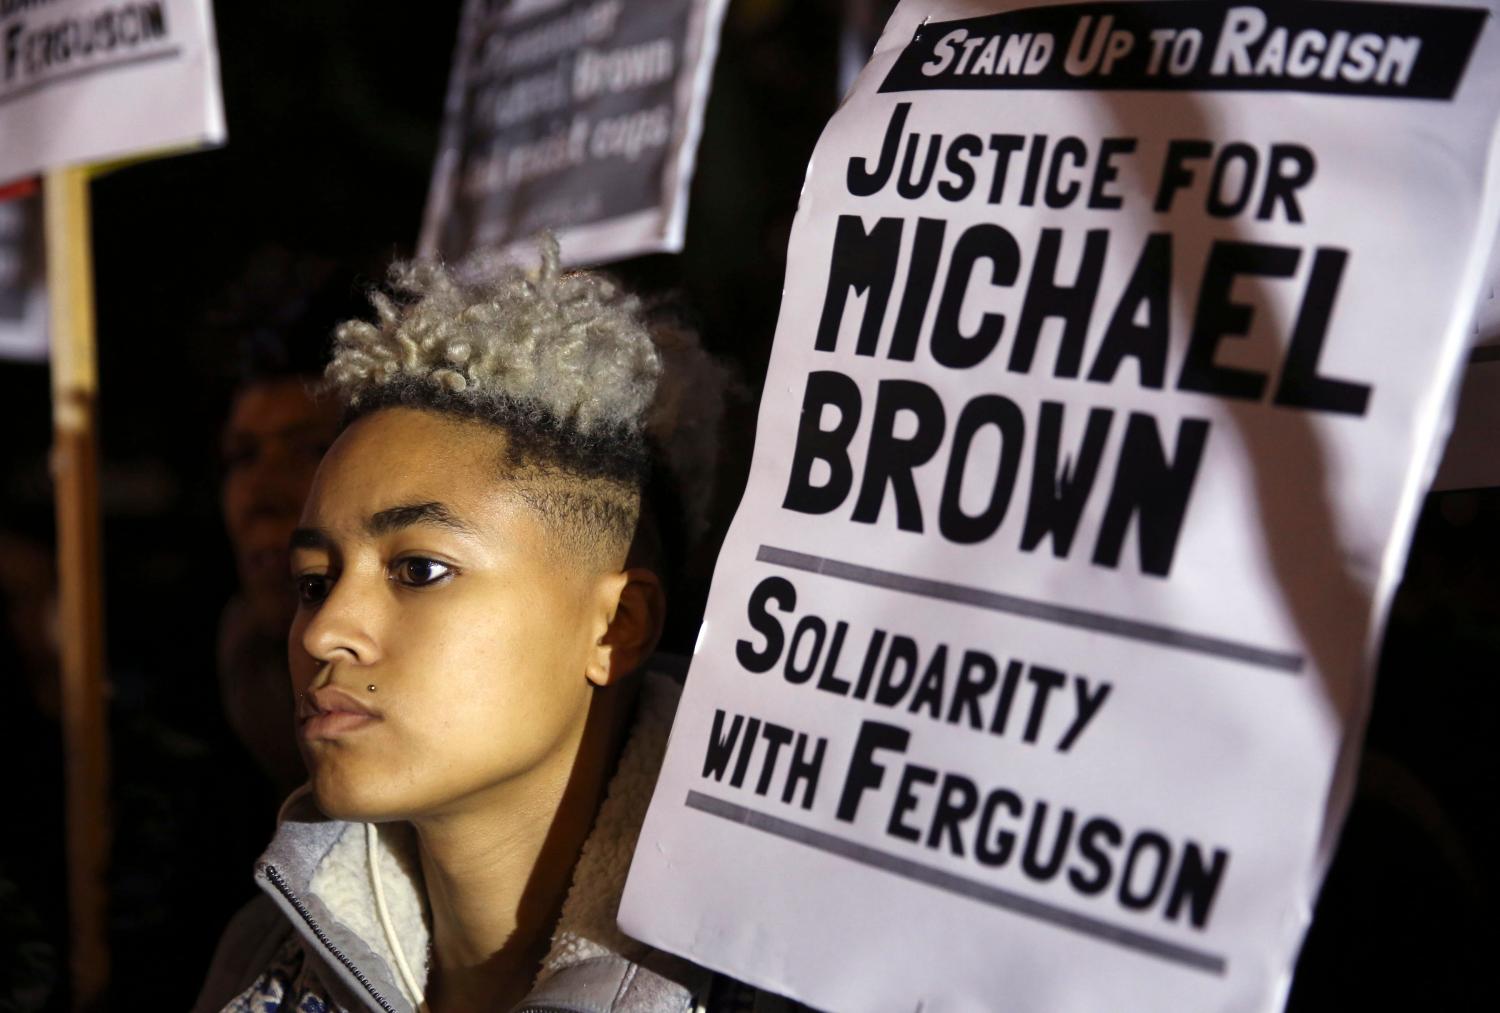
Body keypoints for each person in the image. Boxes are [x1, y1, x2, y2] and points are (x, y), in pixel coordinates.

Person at [193, 238, 772, 1012]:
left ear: (617, 626)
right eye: (313, 580)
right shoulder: (263, 959)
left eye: (419, 569)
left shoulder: (771, 977)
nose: (325, 631)